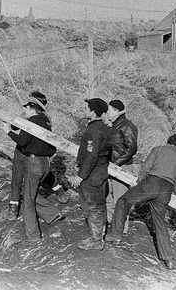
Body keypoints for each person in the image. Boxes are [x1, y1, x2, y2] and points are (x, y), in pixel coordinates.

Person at [106, 134, 176, 270]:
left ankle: (116, 236)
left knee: (123, 201)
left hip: (151, 184)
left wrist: (140, 183)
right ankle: (168, 259)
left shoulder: (158, 149)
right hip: (166, 191)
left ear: (169, 142)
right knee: (160, 223)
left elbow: (145, 168)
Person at [1, 92, 56, 242]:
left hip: (34, 163)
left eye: (26, 106)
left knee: (28, 201)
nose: (24, 107)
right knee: (31, 193)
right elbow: (53, 147)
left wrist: (8, 131)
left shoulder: (31, 122)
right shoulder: (46, 122)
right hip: (45, 163)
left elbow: (22, 140)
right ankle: (52, 214)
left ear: (32, 107)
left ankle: (33, 237)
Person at [68, 98, 112, 251]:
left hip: (93, 174)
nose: (84, 110)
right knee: (98, 205)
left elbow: (92, 155)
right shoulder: (101, 127)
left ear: (93, 112)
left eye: (87, 108)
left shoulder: (94, 130)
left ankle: (96, 240)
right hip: (99, 172)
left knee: (93, 206)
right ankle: (97, 236)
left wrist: (80, 176)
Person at [105, 100, 139, 234]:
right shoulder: (114, 126)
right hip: (113, 166)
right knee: (109, 195)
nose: (107, 113)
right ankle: (111, 222)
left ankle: (121, 229)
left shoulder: (127, 126)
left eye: (109, 110)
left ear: (116, 111)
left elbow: (131, 148)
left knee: (120, 199)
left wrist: (116, 164)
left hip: (122, 167)